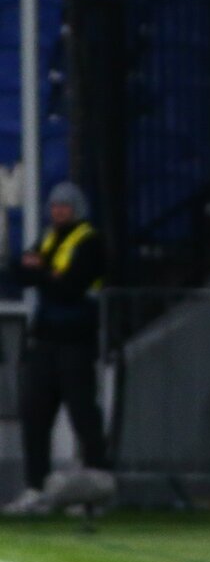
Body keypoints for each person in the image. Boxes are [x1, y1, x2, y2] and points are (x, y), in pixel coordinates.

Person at [3, 182, 114, 517]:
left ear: (77, 208)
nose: (58, 211)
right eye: (54, 206)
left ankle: (96, 493)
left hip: (76, 342)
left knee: (83, 416)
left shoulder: (90, 242)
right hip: (45, 342)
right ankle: (36, 488)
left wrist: (41, 271)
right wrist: (44, 273)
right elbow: (21, 272)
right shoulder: (49, 237)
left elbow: (70, 288)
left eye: (64, 206)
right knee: (35, 415)